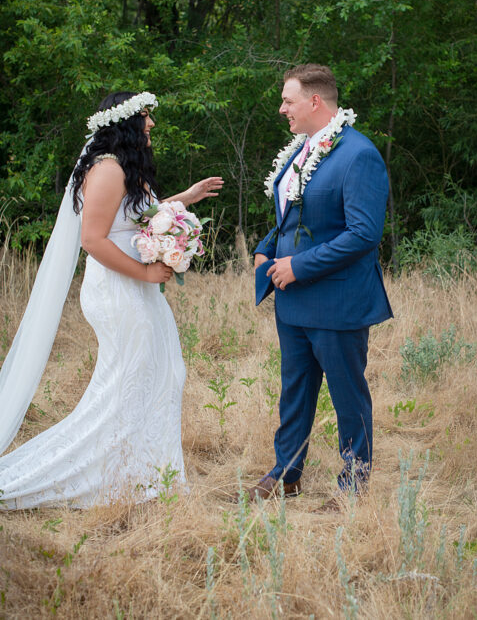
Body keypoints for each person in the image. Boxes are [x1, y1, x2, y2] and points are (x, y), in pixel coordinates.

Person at [0, 91, 222, 509]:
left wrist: (186, 198)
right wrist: (146, 272)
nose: (151, 125)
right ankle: (92, 478)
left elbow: (141, 216)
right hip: (118, 290)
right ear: (124, 125)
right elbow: (92, 240)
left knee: (166, 372)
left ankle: (144, 473)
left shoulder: (124, 169)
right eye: (145, 118)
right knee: (126, 386)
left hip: (137, 290)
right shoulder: (106, 170)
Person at [248, 64, 392, 507]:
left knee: (348, 396)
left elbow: (363, 234)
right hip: (293, 301)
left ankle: (354, 486)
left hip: (337, 300)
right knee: (294, 390)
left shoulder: (358, 154)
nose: (281, 108)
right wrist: (267, 247)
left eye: (288, 100)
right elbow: (293, 215)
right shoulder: (300, 151)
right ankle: (286, 473)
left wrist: (300, 267)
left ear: (315, 101)